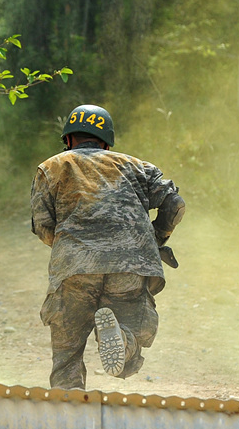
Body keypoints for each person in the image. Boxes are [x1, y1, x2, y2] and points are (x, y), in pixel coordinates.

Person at [30, 104, 186, 389]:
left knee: (67, 356)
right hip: (130, 265)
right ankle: (124, 340)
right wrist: (155, 239)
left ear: (68, 139)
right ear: (106, 141)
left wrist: (73, 247)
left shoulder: (51, 167)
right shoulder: (138, 167)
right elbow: (175, 205)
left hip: (75, 269)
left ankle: (68, 410)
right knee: (129, 342)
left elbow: (42, 225)